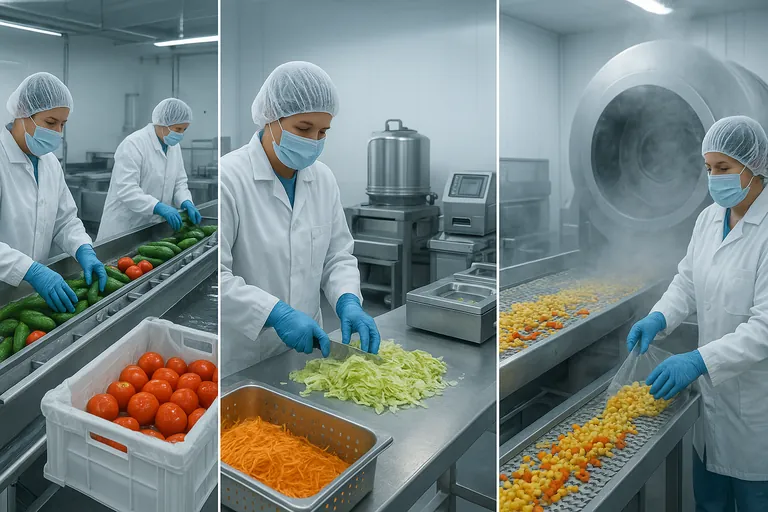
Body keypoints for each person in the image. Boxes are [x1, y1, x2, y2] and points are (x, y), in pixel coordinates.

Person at [627, 115, 768, 511]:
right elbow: (687, 282)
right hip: (711, 408)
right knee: (709, 503)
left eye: (723, 168)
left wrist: (699, 360)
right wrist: (659, 317)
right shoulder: (709, 219)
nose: (713, 178)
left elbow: (764, 327)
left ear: (754, 166)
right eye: (708, 168)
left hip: (757, 414)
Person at [220, 61, 380, 377]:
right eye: (304, 129)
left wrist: (348, 300)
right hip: (245, 355)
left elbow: (337, 256)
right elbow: (217, 276)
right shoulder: (230, 178)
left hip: (309, 352)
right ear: (271, 118)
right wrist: (275, 313)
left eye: (323, 132)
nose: (314, 141)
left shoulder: (323, 179)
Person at [0, 72, 106, 312]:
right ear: (22, 114)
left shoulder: (49, 162)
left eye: (63, 124)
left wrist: (83, 248)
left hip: (30, 294)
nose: (58, 132)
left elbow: (64, 220)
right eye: (50, 123)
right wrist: (31, 270)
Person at [96, 98, 202, 241]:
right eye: (178, 129)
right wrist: (158, 207)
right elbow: (127, 189)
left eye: (184, 130)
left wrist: (185, 201)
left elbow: (179, 182)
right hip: (124, 228)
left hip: (151, 228)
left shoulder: (174, 147)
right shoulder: (133, 144)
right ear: (163, 123)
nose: (181, 135)